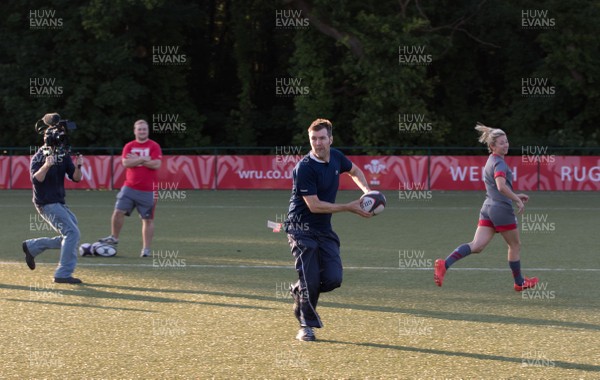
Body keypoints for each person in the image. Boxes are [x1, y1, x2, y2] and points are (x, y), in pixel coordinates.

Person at [285, 118, 372, 342]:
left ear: (330, 139)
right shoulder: (304, 167)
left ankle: (300, 291)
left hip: (324, 229)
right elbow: (314, 205)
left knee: (333, 278)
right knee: (310, 278)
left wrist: (367, 193)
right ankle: (306, 326)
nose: (318, 143)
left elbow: (355, 171)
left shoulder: (337, 157)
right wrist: (349, 207)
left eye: (322, 138)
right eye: (313, 139)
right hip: (300, 229)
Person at [434, 123, 538, 292]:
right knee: (515, 245)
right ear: (492, 146)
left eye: (506, 141)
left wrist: (515, 195)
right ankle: (519, 282)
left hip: (488, 208)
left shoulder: (491, 160)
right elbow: (500, 186)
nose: (506, 145)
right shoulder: (500, 164)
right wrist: (516, 200)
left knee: (477, 246)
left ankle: (444, 264)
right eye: (501, 143)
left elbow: (498, 188)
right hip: (501, 210)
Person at [22, 113, 84, 284]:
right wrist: (47, 165)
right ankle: (63, 274)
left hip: (58, 202)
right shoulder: (40, 156)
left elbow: (76, 177)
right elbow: (36, 180)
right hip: (46, 202)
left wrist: (78, 165)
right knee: (72, 232)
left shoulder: (63, 155)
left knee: (71, 234)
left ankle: (32, 247)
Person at [99, 119, 162, 257]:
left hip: (148, 190)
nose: (142, 131)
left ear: (148, 131)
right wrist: (144, 159)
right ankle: (114, 237)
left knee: (147, 220)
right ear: (135, 131)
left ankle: (146, 250)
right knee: (118, 212)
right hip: (129, 187)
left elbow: (156, 164)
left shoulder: (154, 145)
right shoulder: (129, 146)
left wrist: (138, 159)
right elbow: (126, 163)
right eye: (139, 129)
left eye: (144, 129)